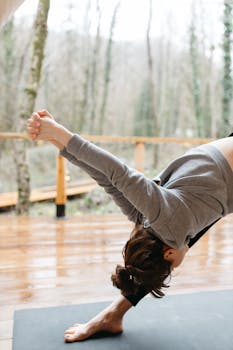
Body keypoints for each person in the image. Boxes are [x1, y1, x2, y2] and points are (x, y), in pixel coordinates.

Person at [27, 110, 233, 343]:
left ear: (168, 252)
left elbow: (117, 173)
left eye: (171, 266)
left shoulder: (171, 224)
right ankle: (111, 316)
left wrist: (62, 135)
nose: (175, 268)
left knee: (181, 238)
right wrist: (58, 143)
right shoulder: (143, 218)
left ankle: (111, 316)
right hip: (222, 168)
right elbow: (107, 180)